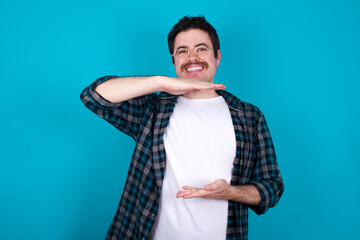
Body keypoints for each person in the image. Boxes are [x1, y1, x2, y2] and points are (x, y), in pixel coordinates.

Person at [80, 15, 284, 240]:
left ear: (217, 57)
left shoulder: (249, 117)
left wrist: (231, 192)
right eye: (183, 51)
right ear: (174, 60)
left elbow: (272, 187)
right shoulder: (154, 110)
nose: (192, 57)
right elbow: (94, 96)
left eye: (201, 48)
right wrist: (160, 82)